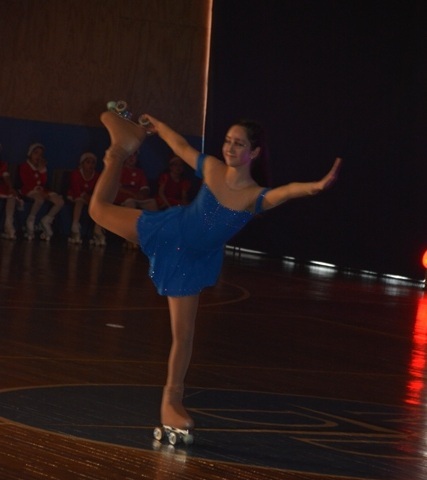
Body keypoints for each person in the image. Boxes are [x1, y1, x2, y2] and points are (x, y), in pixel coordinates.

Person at [89, 109, 341, 439]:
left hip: (191, 262)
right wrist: (158, 126)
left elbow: (288, 190)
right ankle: (119, 150)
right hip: (170, 230)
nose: (230, 148)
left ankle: (171, 402)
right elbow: (181, 146)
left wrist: (315, 187)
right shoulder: (212, 168)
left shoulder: (253, 197)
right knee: (97, 210)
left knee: (183, 335)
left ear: (254, 152)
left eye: (239, 144)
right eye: (228, 141)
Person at [19, 143, 64, 240]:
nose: (38, 156)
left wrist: (41, 170)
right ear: (30, 154)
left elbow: (43, 182)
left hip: (42, 190)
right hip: (29, 189)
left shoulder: (42, 167)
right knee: (39, 199)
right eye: (36, 153)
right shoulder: (24, 166)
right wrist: (39, 191)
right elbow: (27, 183)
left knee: (60, 201)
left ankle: (46, 220)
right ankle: (30, 220)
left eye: (40, 154)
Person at [67, 152, 102, 244]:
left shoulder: (97, 176)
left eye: (93, 163)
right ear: (82, 164)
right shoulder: (76, 174)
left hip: (89, 198)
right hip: (76, 195)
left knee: (99, 205)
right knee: (79, 201)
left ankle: (98, 229)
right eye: (88, 162)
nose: (90, 165)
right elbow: (76, 189)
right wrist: (86, 197)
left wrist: (92, 199)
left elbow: (97, 190)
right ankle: (75, 226)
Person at [0, 145, 23, 240]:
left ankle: (8, 225)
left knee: (12, 195)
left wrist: (10, 187)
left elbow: (6, 176)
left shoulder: (1, 164)